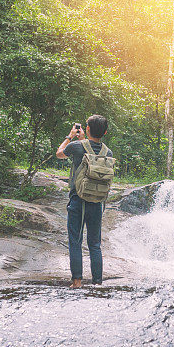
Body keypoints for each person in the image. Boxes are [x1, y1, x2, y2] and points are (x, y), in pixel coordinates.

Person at [55, 115, 112, 287]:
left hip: (78, 199)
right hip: (97, 202)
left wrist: (70, 136)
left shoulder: (76, 146)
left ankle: (77, 282)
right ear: (105, 132)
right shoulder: (107, 152)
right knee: (94, 244)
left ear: (87, 129)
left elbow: (59, 154)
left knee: (75, 241)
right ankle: (97, 283)